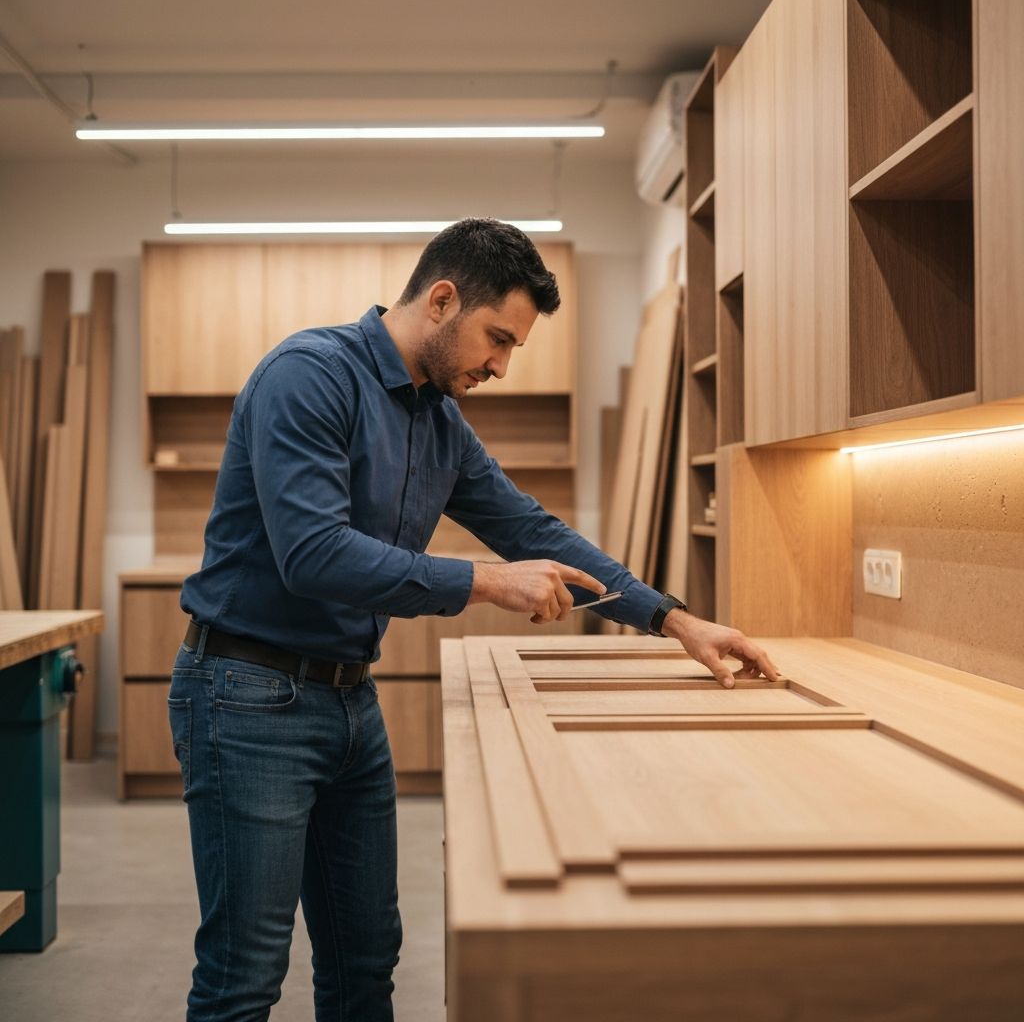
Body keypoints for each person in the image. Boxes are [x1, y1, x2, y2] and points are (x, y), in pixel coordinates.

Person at [168, 217, 779, 1021]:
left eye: (512, 348)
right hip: (248, 697)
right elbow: (313, 556)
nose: (500, 365)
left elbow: (532, 531)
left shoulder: (437, 418)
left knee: (364, 961)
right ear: (442, 300)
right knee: (244, 975)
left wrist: (675, 620)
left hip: (349, 700)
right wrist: (485, 583)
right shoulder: (309, 375)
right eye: (497, 339)